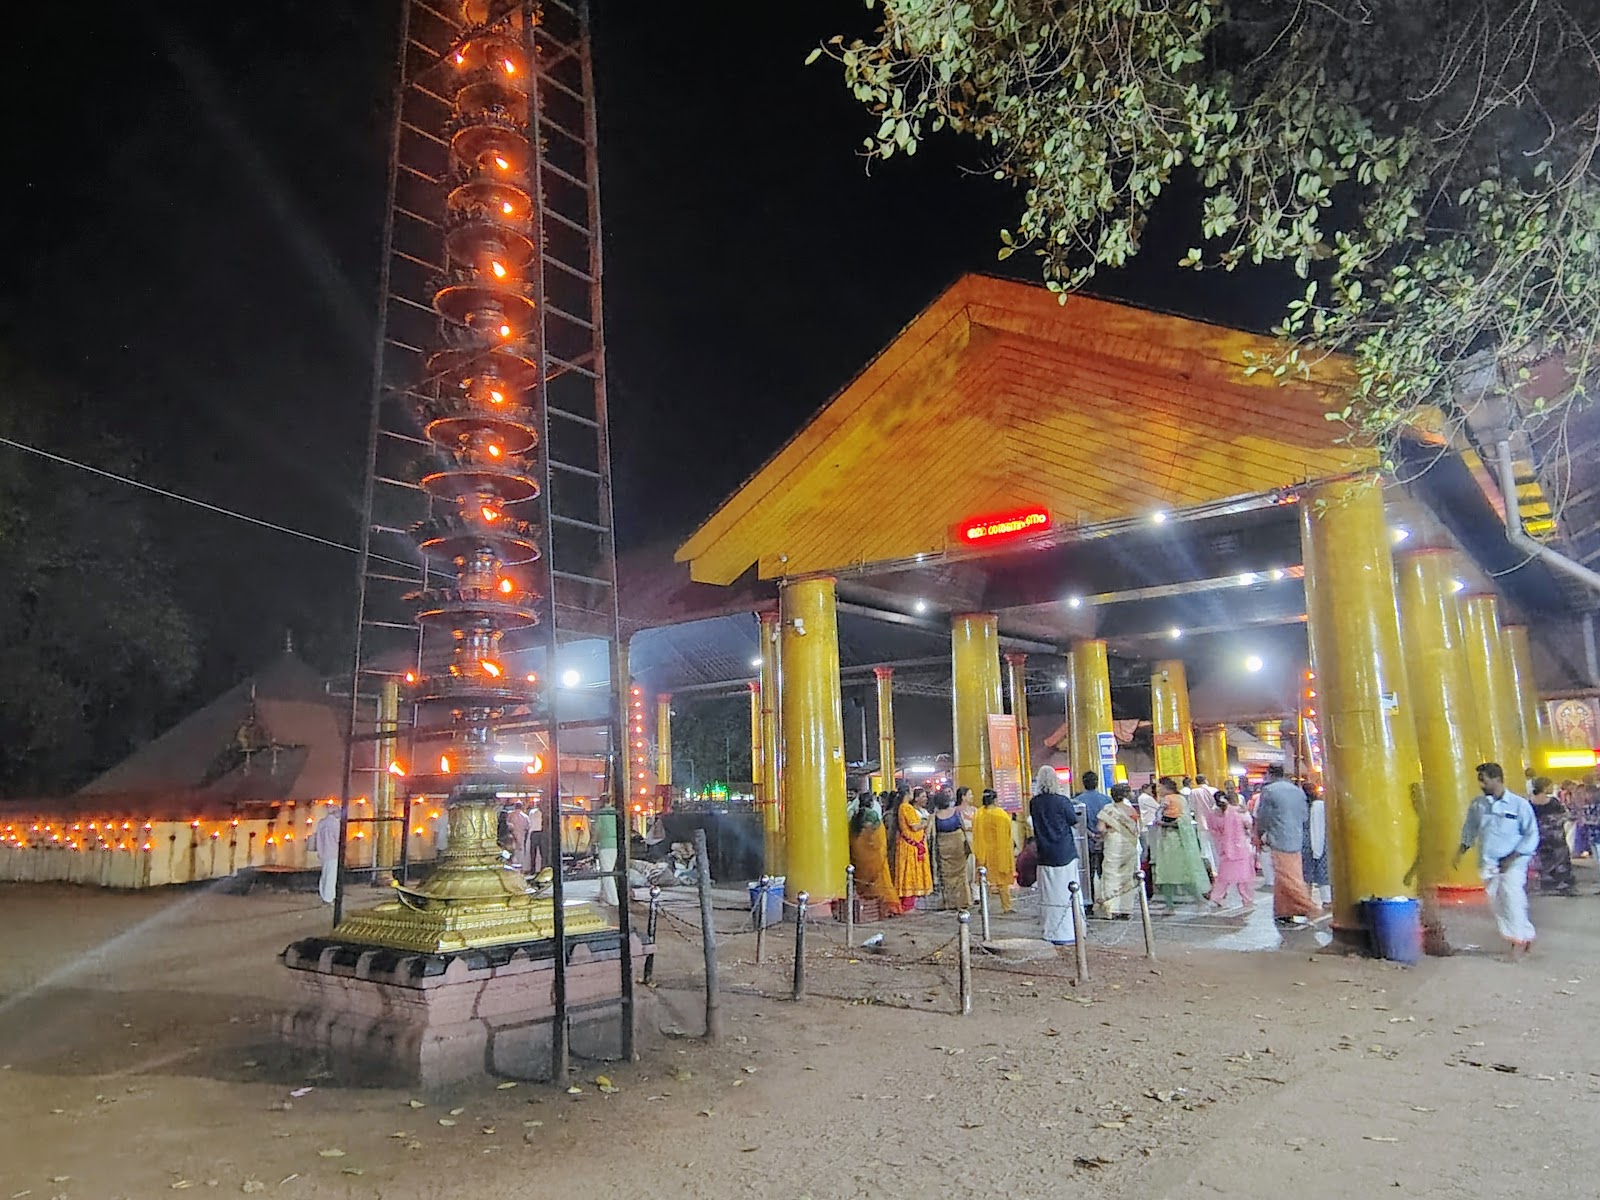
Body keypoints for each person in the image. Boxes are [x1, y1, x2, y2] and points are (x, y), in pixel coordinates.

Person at [1458, 761, 1539, 957]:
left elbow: (1531, 834)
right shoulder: (1478, 805)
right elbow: (1470, 828)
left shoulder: (1519, 805)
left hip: (1514, 862)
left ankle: (1517, 944)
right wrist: (1461, 850)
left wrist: (1513, 857)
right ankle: (1525, 935)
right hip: (1489, 863)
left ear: (1497, 779)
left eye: (1484, 780)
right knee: (1498, 903)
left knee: (1512, 899)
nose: (1481, 785)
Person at [1254, 764, 1321, 925]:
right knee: (1287, 874)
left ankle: (1309, 907)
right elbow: (1304, 815)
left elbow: (1264, 816)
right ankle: (1284, 910)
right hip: (1297, 836)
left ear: (1270, 774)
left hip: (1279, 837)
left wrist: (1260, 834)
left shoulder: (1269, 791)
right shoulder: (1296, 790)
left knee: (1287, 876)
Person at [1030, 764, 1080, 944]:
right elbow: (1074, 821)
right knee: (1068, 892)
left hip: (1044, 854)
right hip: (1065, 852)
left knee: (1049, 894)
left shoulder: (1034, 803)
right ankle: (1071, 931)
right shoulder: (1062, 801)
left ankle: (1051, 931)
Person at [1151, 776, 1210, 912]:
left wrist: (1163, 822)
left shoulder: (1168, 800)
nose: (1158, 790)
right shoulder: (1182, 799)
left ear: (1166, 788)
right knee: (1185, 871)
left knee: (1167, 873)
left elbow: (1166, 818)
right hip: (1180, 841)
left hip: (1170, 841)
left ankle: (1170, 905)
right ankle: (1198, 900)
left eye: (1160, 787)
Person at [848, 797, 902, 916]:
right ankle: (887, 908)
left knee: (862, 884)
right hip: (876, 860)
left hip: (860, 860)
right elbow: (879, 839)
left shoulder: (854, 818)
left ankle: (865, 907)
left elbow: (854, 840)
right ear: (872, 803)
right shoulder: (873, 816)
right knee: (882, 884)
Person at [1094, 782, 1141, 918]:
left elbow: (1101, 828)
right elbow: (1137, 829)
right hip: (1129, 844)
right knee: (1127, 875)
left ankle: (1112, 909)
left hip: (1113, 843)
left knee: (1111, 874)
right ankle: (1126, 909)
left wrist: (1107, 832)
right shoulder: (1131, 810)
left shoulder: (1107, 809)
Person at [1207, 791, 1256, 910]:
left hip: (1225, 848)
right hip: (1240, 848)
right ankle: (1247, 899)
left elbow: (1213, 830)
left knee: (1223, 877)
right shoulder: (1239, 812)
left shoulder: (1214, 814)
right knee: (1244, 876)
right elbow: (1249, 824)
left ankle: (1216, 898)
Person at [972, 788, 1017, 913]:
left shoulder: (979, 814)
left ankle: (984, 906)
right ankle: (1006, 907)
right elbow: (1007, 834)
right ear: (995, 800)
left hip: (983, 852)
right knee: (1002, 881)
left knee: (984, 880)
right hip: (999, 852)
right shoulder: (1001, 814)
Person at [1530, 776, 1576, 895]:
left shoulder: (1530, 802)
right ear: (1544, 788)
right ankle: (1562, 883)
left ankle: (1546, 882)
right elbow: (1563, 815)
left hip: (1539, 836)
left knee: (1544, 858)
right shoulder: (1553, 802)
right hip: (1555, 837)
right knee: (1560, 859)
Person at [1076, 770, 1113, 906]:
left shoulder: (1078, 801)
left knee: (1088, 874)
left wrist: (1091, 834)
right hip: (1105, 841)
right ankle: (1107, 902)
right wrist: (1101, 836)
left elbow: (1077, 824)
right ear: (1097, 783)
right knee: (1105, 873)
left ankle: (1089, 903)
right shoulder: (1107, 800)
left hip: (1086, 842)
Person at [893, 787, 933, 906]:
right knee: (909, 872)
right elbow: (915, 827)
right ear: (907, 794)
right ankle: (907, 903)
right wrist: (926, 823)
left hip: (912, 844)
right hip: (911, 846)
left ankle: (909, 903)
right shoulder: (906, 807)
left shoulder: (904, 807)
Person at [933, 790, 973, 909]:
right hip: (958, 845)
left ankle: (949, 902)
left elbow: (932, 834)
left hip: (943, 847)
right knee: (961, 874)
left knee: (946, 875)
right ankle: (963, 900)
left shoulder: (935, 817)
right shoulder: (956, 812)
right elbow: (963, 827)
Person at [1301, 785, 1331, 906]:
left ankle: (1306, 899)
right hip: (1322, 840)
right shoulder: (1321, 805)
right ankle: (1327, 899)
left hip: (1304, 841)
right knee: (1323, 871)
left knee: (1306, 873)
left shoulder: (1302, 806)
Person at [1189, 774, 1218, 877]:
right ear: (1206, 780)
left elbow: (1191, 807)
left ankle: (1211, 871)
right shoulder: (1214, 790)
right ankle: (1220, 868)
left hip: (1201, 823)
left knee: (1205, 848)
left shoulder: (1193, 792)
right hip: (1215, 823)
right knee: (1216, 847)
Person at [313, 805, 343, 905]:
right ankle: (329, 898)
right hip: (333, 853)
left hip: (323, 853)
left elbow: (317, 838)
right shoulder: (335, 824)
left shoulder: (321, 823)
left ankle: (324, 895)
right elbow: (338, 839)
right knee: (331, 876)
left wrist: (319, 850)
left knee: (324, 875)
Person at [592, 798, 619, 906]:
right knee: (607, 870)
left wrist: (592, 842)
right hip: (615, 844)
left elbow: (597, 830)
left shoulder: (601, 814)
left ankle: (613, 899)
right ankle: (603, 897)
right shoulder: (615, 812)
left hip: (605, 844)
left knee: (607, 873)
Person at [506, 800, 532, 874]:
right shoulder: (525, 816)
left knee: (511, 852)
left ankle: (511, 869)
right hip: (521, 836)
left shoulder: (510, 814)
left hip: (511, 836)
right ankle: (521, 869)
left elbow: (507, 824)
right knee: (520, 852)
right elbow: (528, 826)